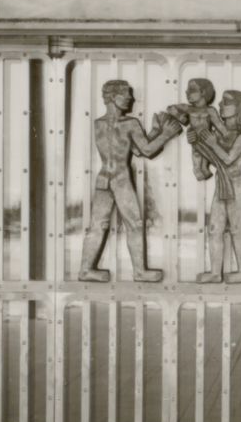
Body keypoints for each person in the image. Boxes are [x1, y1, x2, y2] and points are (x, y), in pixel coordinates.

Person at [77, 79, 181, 282]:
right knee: (134, 224)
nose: (131, 98)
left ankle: (85, 269)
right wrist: (166, 134)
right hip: (121, 179)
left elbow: (133, 148)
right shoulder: (130, 123)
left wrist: (154, 132)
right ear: (112, 97)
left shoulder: (98, 124)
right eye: (126, 94)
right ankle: (140, 271)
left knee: (97, 225)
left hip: (103, 178)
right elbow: (146, 150)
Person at [191, 88, 241, 283]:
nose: (219, 105)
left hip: (236, 187)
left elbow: (226, 159)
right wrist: (196, 140)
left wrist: (211, 142)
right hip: (222, 186)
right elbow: (210, 153)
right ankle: (215, 272)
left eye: (226, 102)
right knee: (214, 229)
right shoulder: (219, 135)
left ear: (239, 108)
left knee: (237, 230)